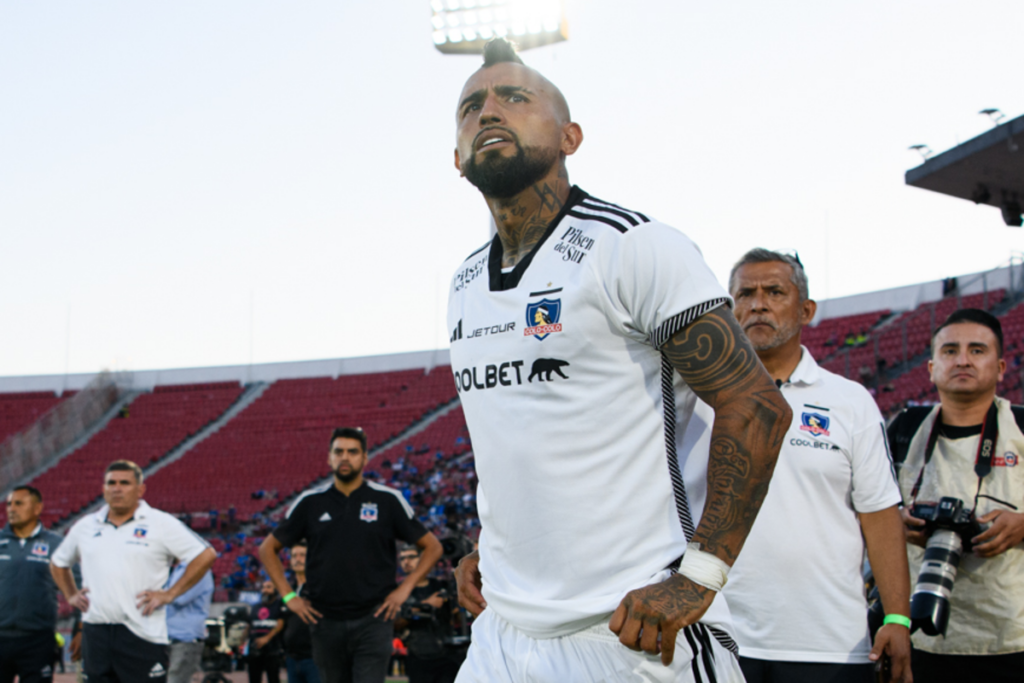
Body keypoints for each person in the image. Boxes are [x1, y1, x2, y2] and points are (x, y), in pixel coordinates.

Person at [447, 38, 791, 683]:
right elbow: (515, 436)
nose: (489, 111)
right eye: (471, 107)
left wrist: (700, 578)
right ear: (456, 158)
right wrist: (482, 546)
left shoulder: (634, 246)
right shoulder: (463, 282)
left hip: (629, 630)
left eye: (515, 97)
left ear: (571, 135)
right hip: (501, 634)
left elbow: (757, 405)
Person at [721, 249, 912, 683]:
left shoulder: (851, 402)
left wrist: (898, 618)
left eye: (774, 291)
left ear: (806, 309)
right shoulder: (697, 400)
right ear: (730, 311)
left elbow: (880, 514)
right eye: (745, 294)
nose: (758, 304)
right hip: (719, 635)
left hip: (828, 644)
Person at [888, 309, 1024, 682]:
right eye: (950, 351)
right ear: (931, 367)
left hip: (1012, 637)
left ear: (1000, 367)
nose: (962, 359)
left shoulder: (1021, 428)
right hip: (920, 636)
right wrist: (894, 523)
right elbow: (858, 508)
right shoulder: (904, 429)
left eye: (976, 350)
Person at [259, 427, 444, 683]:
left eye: (352, 452)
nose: (345, 457)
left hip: (375, 617)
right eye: (339, 452)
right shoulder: (310, 502)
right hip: (324, 619)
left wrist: (404, 590)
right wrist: (289, 596)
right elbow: (267, 548)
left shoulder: (387, 500)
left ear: (365, 458)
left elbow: (433, 547)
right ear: (329, 458)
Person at [50, 460, 216, 683]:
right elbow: (58, 562)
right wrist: (71, 594)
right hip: (96, 633)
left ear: (140, 489)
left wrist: (169, 594)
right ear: (103, 489)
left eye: (125, 483)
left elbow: (205, 555)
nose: (117, 488)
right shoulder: (86, 526)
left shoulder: (161, 523)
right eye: (111, 483)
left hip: (142, 634)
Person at [0, 486, 64, 683]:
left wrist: (80, 624)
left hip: (38, 640)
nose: (11, 509)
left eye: (19, 503)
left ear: (37, 508)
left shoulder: (56, 544)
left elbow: (79, 586)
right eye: (9, 504)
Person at [397, 546, 459, 683]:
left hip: (447, 653)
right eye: (402, 558)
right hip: (417, 655)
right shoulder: (398, 591)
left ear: (423, 558)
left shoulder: (441, 586)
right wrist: (424, 605)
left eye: (411, 557)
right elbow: (395, 624)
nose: (406, 562)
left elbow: (456, 616)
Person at [164, 561, 214, 683]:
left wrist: (161, 595)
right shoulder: (178, 569)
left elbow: (179, 598)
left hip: (185, 639)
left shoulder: (199, 568)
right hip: (170, 637)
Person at [280, 542, 320, 683]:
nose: (298, 559)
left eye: (303, 555)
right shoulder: (288, 590)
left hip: (316, 659)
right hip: (292, 659)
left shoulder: (319, 588)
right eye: (294, 555)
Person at [248, 580, 285, 683]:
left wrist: (267, 638)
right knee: (254, 679)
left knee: (273, 678)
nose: (264, 590)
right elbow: (249, 625)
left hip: (272, 649)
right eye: (263, 587)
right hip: (255, 649)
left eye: (268, 587)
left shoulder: (279, 605)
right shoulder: (255, 607)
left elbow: (280, 623)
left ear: (275, 590)